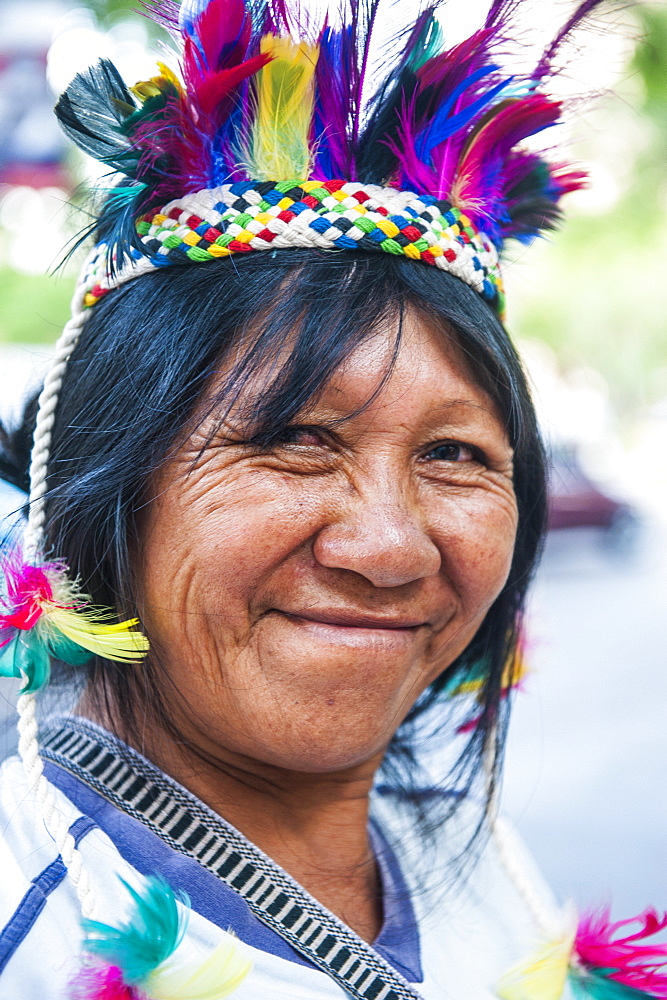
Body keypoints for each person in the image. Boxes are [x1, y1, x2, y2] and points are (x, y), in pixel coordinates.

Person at [0, 2, 665, 998]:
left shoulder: (463, 850)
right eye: (294, 439)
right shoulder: (35, 925)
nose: (391, 546)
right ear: (103, 489)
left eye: (454, 453)